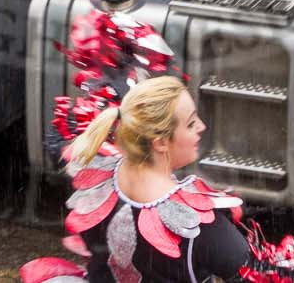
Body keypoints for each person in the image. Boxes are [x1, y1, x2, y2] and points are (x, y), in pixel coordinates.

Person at [45, 76, 257, 282]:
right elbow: (254, 274)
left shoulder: (95, 182)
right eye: (191, 123)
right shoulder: (197, 222)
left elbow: (55, 143)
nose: (202, 127)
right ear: (160, 143)